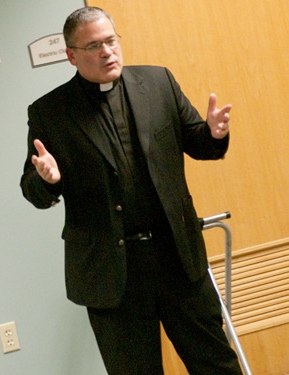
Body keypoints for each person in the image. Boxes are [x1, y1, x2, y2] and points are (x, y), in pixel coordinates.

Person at [20, 6, 243, 375]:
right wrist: (47, 179)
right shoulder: (51, 112)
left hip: (177, 260)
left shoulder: (159, 83)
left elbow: (200, 144)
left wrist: (215, 134)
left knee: (216, 363)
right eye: (94, 46)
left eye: (111, 41)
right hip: (113, 276)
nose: (107, 51)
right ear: (71, 56)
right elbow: (32, 191)